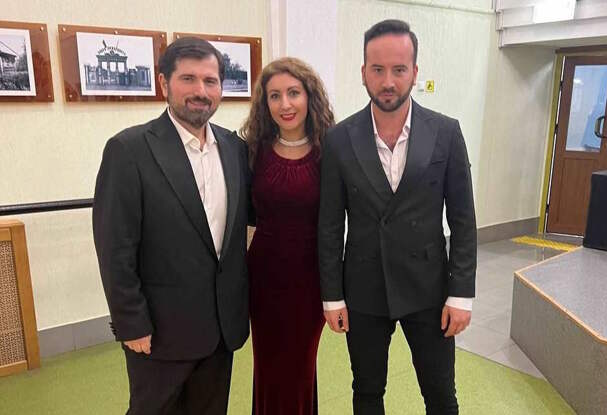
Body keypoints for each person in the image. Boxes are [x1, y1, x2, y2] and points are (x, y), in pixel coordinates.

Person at [318, 19, 477, 415]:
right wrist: (332, 295)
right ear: (363, 73)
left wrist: (461, 294)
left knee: (441, 395)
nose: (388, 81)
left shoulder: (446, 132)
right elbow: (330, 225)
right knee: (367, 391)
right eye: (378, 69)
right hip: (363, 287)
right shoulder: (339, 139)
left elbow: (463, 220)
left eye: (399, 69)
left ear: (415, 72)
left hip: (429, 287)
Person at [92, 37, 251, 415]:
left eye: (210, 81)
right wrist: (131, 323)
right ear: (164, 83)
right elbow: (115, 248)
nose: (201, 91)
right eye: (188, 79)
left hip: (220, 329)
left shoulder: (235, 148)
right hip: (159, 332)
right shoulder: (129, 150)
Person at [240, 57, 334, 415]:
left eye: (293, 93)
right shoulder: (252, 150)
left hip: (310, 281)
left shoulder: (330, 152)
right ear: (265, 103)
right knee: (267, 367)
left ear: (310, 96)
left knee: (299, 366)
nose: (285, 104)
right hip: (263, 279)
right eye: (275, 96)